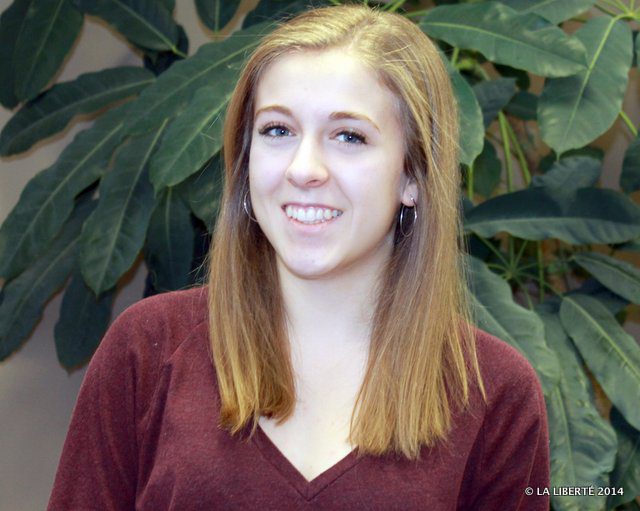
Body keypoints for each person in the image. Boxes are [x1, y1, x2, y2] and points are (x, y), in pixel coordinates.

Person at [48, 5, 549, 510]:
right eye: (277, 130)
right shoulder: (146, 350)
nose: (303, 168)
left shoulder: (495, 392)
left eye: (349, 136)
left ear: (413, 177)